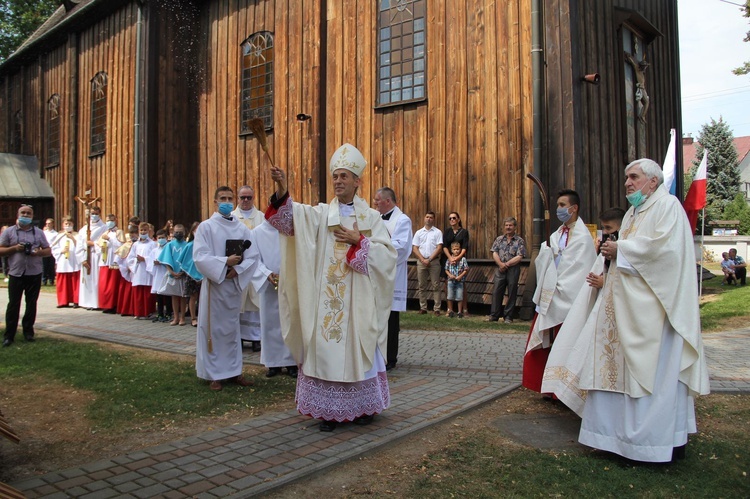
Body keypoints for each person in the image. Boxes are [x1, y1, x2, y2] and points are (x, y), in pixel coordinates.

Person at [574, 158, 710, 462]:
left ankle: (651, 444)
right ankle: (614, 439)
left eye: (633, 177)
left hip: (655, 314)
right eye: (626, 178)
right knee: (615, 371)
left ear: (652, 181)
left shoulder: (668, 206)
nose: (627, 183)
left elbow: (664, 253)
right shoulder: (636, 211)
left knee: (654, 376)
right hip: (625, 308)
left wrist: (620, 249)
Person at [266, 143, 396, 432]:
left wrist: (360, 242)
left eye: (344, 176)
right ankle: (328, 409)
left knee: (360, 347)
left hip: (359, 301)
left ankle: (364, 407)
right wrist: (283, 186)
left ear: (357, 181)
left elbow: (389, 257)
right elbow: (289, 220)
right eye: (335, 176)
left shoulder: (371, 218)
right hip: (328, 300)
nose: (338, 181)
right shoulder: (322, 214)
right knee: (325, 346)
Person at [540, 206, 625, 415]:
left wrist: (606, 280)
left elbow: (635, 274)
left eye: (609, 228)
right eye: (604, 229)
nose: (606, 233)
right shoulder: (609, 241)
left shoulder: (625, 243)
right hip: (604, 302)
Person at [522, 189, 596, 393]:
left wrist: (560, 286)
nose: (559, 209)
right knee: (548, 344)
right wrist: (546, 254)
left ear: (574, 208)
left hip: (569, 297)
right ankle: (545, 385)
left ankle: (562, 390)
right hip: (551, 295)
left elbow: (579, 269)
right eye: (558, 206)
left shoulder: (582, 238)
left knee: (566, 345)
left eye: (563, 205)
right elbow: (547, 259)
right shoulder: (557, 234)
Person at [193, 186, 259, 391]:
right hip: (215, 286)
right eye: (223, 198)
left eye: (230, 198)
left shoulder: (241, 228)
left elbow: (253, 255)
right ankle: (214, 375)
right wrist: (224, 263)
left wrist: (237, 269)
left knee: (232, 331)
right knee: (213, 330)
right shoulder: (206, 227)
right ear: (215, 201)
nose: (227, 201)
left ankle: (234, 371)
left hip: (232, 286)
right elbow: (200, 256)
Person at [249, 221, 297, 378]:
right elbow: (253, 258)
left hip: (290, 282)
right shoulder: (257, 232)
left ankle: (291, 362)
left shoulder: (292, 229)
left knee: (289, 322)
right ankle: (272, 363)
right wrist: (266, 273)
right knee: (270, 323)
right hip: (269, 285)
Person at [0, 204, 52, 347]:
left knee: (31, 304)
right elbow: (1, 250)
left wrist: (38, 252)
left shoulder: (39, 232)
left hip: (34, 273)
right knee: (13, 305)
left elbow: (48, 251)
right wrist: (15, 248)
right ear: (18, 215)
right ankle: (9, 335)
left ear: (32, 216)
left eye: (28, 213)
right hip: (16, 273)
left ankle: (28, 333)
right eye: (23, 213)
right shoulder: (9, 232)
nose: (25, 215)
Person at [373, 187, 413, 371]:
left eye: (377, 200)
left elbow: (401, 247)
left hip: (392, 274)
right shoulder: (375, 218)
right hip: (375, 273)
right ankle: (375, 354)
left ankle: (390, 357)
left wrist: (376, 248)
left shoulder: (402, 220)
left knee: (390, 317)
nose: (375, 203)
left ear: (388, 201)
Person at [233, 185, 264, 351]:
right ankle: (237, 337)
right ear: (238, 198)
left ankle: (256, 338)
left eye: (249, 197)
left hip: (256, 267)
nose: (245, 200)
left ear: (253, 198)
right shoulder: (231, 217)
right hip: (237, 267)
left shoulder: (261, 217)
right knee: (238, 304)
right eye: (242, 197)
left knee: (255, 305)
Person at [486, 217, 527, 323]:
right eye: (506, 225)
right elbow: (494, 252)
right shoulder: (499, 239)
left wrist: (507, 264)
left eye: (510, 225)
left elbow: (520, 256)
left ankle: (508, 316)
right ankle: (494, 315)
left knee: (512, 292)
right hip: (500, 269)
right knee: (496, 291)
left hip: (513, 269)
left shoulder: (519, 240)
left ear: (515, 227)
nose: (508, 227)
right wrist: (500, 264)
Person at [412, 211, 443, 315]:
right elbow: (415, 248)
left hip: (433, 261)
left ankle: (437, 308)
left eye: (431, 217)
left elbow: (439, 248)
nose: (428, 219)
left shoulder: (437, 232)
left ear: (433, 219)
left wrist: (429, 259)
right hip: (421, 261)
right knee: (422, 285)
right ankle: (423, 307)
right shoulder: (419, 232)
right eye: (427, 217)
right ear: (424, 218)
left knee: (436, 285)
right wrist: (422, 259)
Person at [76, 206, 108, 310]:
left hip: (96, 256)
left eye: (96, 213)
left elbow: (105, 243)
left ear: (99, 214)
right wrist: (82, 259)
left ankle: (96, 303)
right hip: (86, 255)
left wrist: (93, 244)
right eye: (92, 213)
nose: (94, 215)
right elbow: (79, 245)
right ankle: (86, 302)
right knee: (86, 280)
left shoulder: (104, 228)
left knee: (95, 279)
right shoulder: (84, 229)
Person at [158, 223, 190, 326]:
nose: (178, 234)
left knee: (183, 296)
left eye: (180, 232)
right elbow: (166, 258)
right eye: (176, 232)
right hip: (173, 274)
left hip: (183, 274)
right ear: (173, 233)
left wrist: (184, 271)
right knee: (174, 296)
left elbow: (189, 260)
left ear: (184, 233)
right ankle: (176, 317)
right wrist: (171, 271)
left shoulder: (187, 245)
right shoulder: (170, 245)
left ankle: (182, 318)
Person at [49, 216, 81, 308]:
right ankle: (63, 301)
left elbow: (80, 246)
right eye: (66, 224)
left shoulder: (77, 235)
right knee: (63, 282)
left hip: (74, 261)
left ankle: (76, 300)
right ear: (63, 225)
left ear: (73, 224)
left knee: (75, 282)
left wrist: (72, 239)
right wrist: (60, 251)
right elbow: (53, 247)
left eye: (70, 224)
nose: (68, 225)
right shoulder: (59, 236)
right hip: (63, 261)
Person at [96, 214, 124, 313]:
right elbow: (97, 246)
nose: (109, 222)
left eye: (111, 220)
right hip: (104, 260)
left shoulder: (119, 232)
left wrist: (110, 240)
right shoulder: (104, 232)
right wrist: (102, 246)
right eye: (107, 220)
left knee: (113, 285)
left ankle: (114, 305)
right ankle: (105, 305)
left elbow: (121, 246)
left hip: (113, 261)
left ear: (115, 220)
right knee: (104, 285)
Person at [443, 212, 470, 315]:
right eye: (450, 218)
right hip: (448, 259)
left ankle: (464, 309)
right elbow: (444, 246)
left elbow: (465, 247)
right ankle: (450, 309)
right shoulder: (447, 232)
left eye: (454, 218)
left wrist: (458, 258)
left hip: (460, 260)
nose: (452, 220)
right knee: (447, 283)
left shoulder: (464, 232)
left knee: (462, 285)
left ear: (458, 219)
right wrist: (450, 258)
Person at [128, 222, 157, 319]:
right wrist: (136, 260)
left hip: (148, 271)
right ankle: (138, 312)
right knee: (138, 292)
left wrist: (145, 259)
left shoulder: (153, 244)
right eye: (141, 230)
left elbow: (155, 257)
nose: (143, 232)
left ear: (148, 231)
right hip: (138, 270)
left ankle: (148, 312)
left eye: (145, 230)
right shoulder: (135, 244)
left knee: (147, 292)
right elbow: (130, 257)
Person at [180, 222, 203, 327]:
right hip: (191, 275)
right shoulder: (189, 245)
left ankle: (202, 317)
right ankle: (193, 318)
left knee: (203, 297)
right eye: (196, 230)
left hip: (205, 275)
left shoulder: (206, 246)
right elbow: (185, 261)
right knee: (193, 297)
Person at [147, 229, 172, 322]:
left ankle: (169, 313)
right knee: (159, 295)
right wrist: (154, 263)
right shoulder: (154, 250)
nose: (161, 239)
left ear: (167, 238)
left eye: (163, 238)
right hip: (157, 274)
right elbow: (150, 261)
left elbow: (171, 260)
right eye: (159, 238)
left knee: (167, 295)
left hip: (166, 273)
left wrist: (162, 262)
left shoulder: (169, 248)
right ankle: (160, 313)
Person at [445, 241, 469, 318]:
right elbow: (446, 269)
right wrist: (450, 275)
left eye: (458, 249)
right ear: (451, 250)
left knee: (459, 297)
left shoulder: (463, 259)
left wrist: (460, 276)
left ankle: (459, 311)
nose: (456, 251)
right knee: (450, 296)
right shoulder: (449, 259)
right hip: (451, 280)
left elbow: (466, 269)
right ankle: (450, 310)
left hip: (459, 281)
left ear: (460, 249)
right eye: (454, 249)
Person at [42, 218, 57, 286]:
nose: (47, 225)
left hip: (52, 251)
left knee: (51, 266)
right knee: (44, 266)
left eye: (49, 223)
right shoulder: (43, 233)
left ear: (52, 224)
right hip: (44, 250)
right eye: (47, 223)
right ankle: (44, 280)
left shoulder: (55, 233)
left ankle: (51, 280)